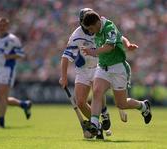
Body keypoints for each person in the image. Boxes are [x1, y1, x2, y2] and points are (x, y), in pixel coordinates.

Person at [81, 10, 152, 136]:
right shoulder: (98, 27)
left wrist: (93, 52)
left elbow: (110, 46)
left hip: (118, 68)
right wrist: (127, 43)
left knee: (121, 104)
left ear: (97, 23)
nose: (91, 32)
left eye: (91, 28)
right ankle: (94, 123)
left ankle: (143, 106)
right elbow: (121, 36)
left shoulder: (108, 27)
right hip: (103, 67)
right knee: (97, 92)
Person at [59, 8, 111, 139]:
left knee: (97, 91)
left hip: (98, 66)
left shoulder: (102, 27)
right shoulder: (76, 36)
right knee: (80, 102)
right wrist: (63, 77)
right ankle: (97, 127)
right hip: (82, 70)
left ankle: (104, 112)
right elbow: (66, 56)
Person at [0, 17, 32, 128]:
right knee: (3, 98)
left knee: (1, 96)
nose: (1, 27)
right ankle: (24, 104)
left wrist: (8, 56)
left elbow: (21, 54)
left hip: (8, 69)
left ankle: (1, 122)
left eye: (3, 25)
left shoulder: (13, 39)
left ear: (7, 26)